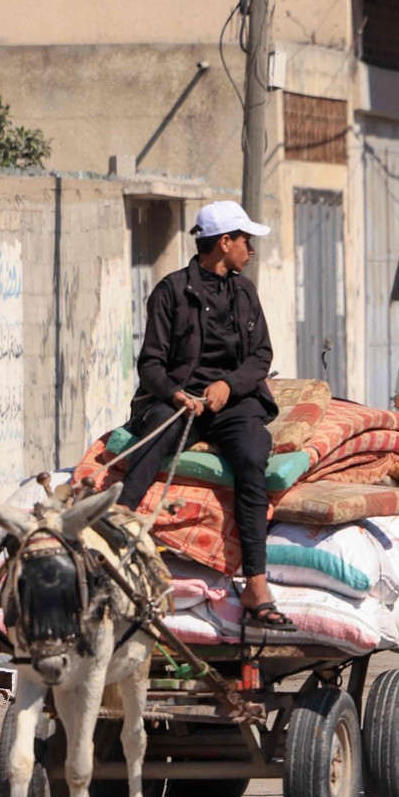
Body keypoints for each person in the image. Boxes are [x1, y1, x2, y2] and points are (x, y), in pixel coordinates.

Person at [115, 201, 288, 629]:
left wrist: (228, 386)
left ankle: (256, 585)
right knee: (153, 438)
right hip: (178, 405)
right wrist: (176, 395)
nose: (250, 249)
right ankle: (112, 536)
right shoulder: (171, 291)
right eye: (245, 240)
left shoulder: (244, 291)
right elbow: (151, 364)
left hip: (234, 404)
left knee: (251, 456)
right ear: (224, 242)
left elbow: (262, 355)